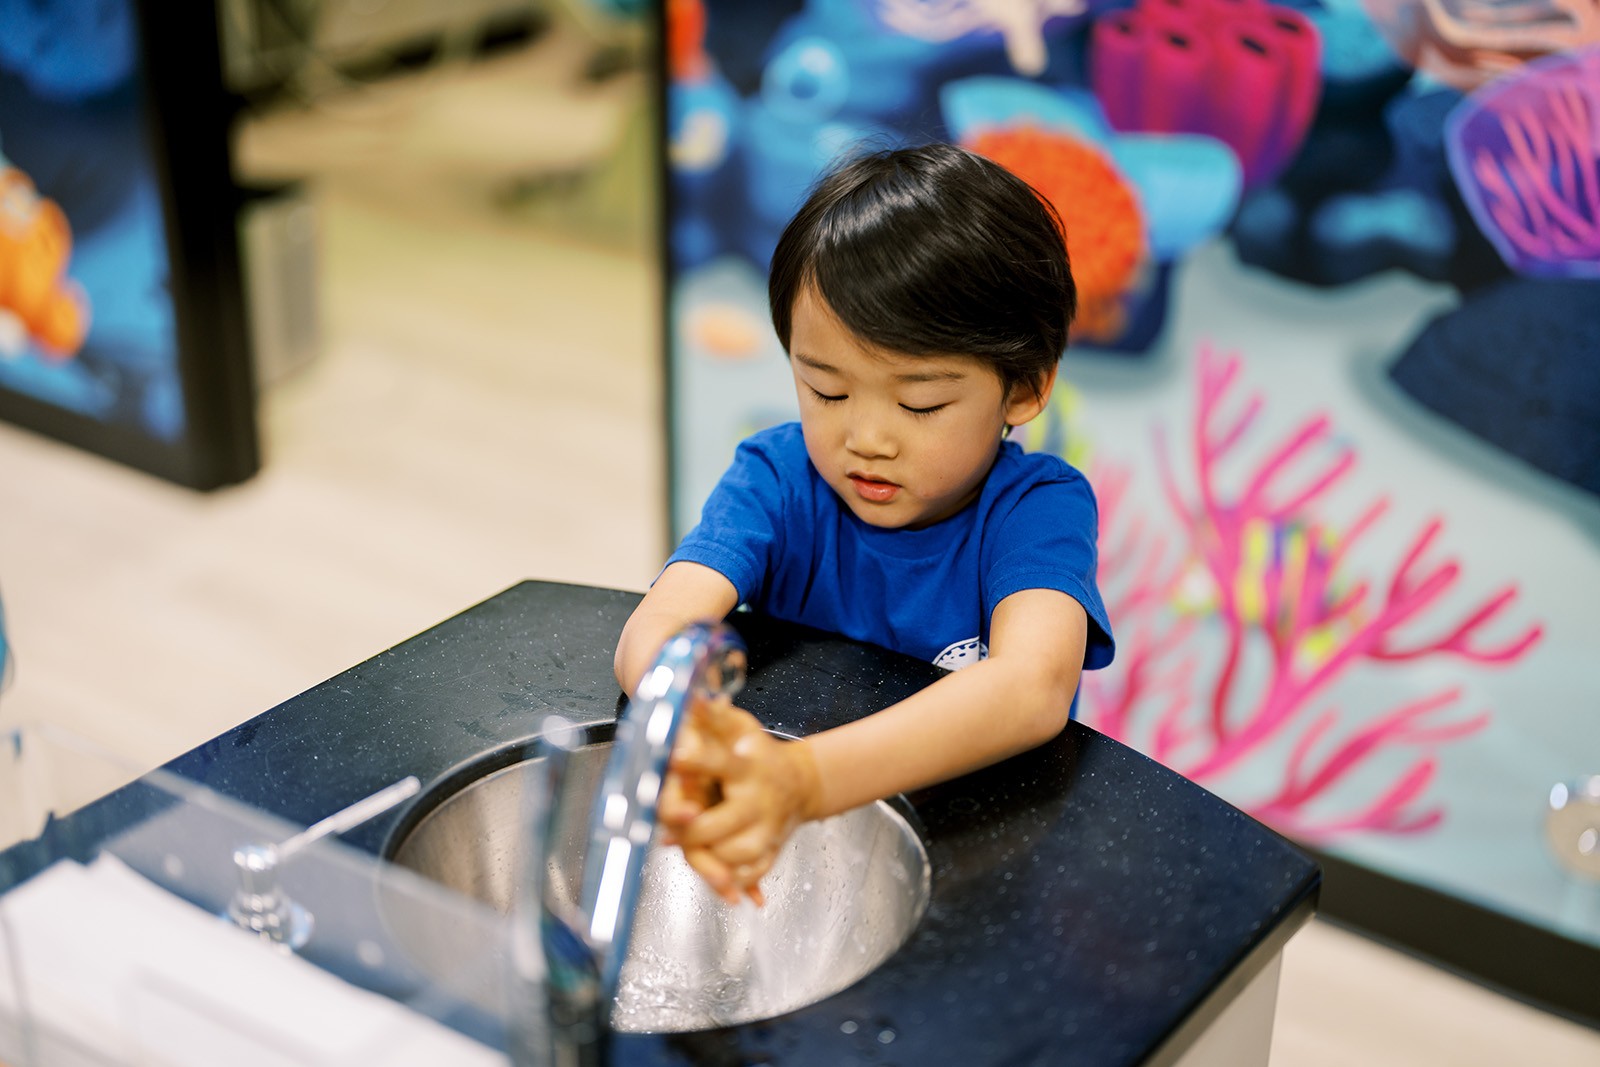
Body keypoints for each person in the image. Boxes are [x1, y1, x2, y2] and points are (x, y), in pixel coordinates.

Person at [614, 142, 1115, 905]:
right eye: (827, 391)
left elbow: (1031, 687)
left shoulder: (1037, 508)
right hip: (797, 864)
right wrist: (693, 733)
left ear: (1024, 388)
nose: (867, 439)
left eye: (919, 404)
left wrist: (804, 777)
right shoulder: (779, 478)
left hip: (969, 860)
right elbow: (664, 623)